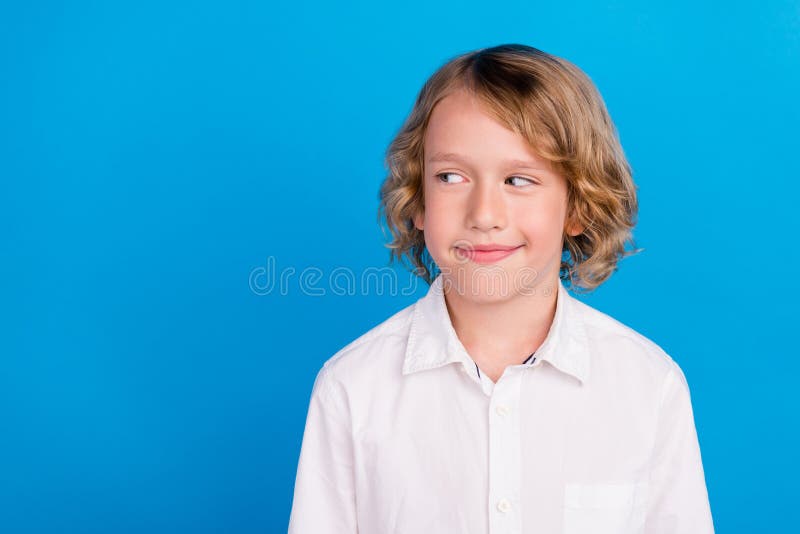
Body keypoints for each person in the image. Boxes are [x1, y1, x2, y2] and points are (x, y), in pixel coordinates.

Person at [287, 43, 714, 533]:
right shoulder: (351, 388)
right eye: (451, 176)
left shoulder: (648, 387)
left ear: (577, 205)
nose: (484, 215)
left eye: (518, 179)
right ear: (418, 199)